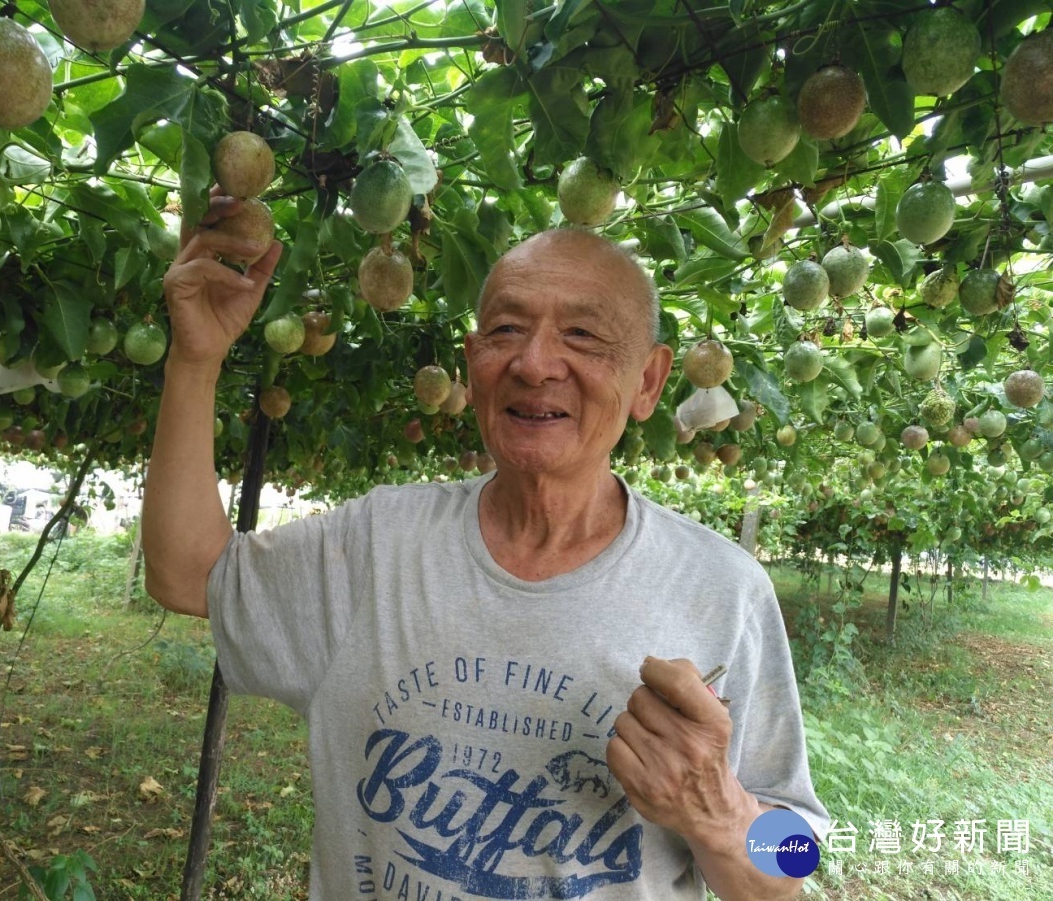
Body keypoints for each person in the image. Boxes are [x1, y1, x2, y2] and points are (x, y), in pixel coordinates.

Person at [143, 196, 829, 901]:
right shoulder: (376, 546)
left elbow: (794, 860)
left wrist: (721, 812)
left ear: (648, 381)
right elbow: (185, 572)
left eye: (584, 335)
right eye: (506, 329)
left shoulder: (723, 586)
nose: (534, 364)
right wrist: (196, 359)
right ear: (473, 366)